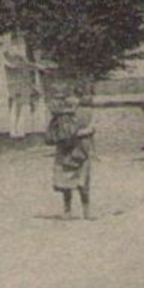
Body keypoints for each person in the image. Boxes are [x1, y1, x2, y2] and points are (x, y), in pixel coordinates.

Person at [49, 90, 96, 220]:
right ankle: (86, 212)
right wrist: (88, 131)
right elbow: (80, 132)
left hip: (64, 153)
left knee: (66, 184)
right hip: (79, 152)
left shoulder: (58, 118)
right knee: (83, 183)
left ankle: (68, 212)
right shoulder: (79, 117)